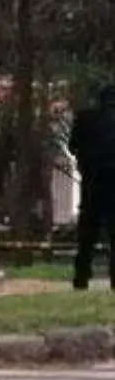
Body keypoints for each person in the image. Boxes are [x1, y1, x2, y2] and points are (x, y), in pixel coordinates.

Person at [67, 83, 115, 289]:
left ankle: (81, 277)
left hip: (92, 182)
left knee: (87, 234)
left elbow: (72, 146)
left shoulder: (86, 119)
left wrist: (86, 160)